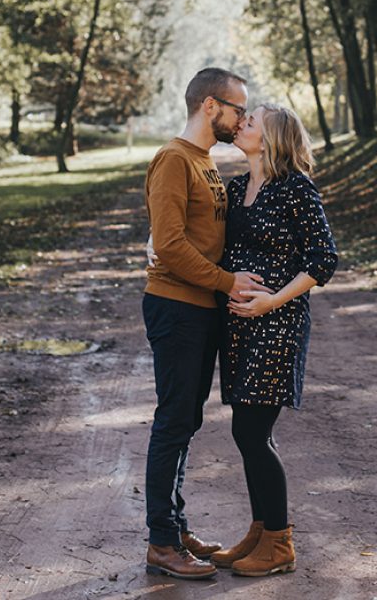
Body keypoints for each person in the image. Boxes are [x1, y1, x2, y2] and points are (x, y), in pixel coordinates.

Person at [142, 67, 273, 581]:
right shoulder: (175, 159)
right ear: (211, 106)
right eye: (239, 109)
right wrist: (226, 282)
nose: (243, 119)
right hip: (176, 307)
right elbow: (170, 244)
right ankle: (161, 543)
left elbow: (189, 234)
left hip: (200, 309)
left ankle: (174, 530)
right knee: (173, 422)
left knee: (186, 422)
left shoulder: (205, 161)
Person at [208, 103, 338, 577]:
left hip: (277, 325)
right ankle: (261, 532)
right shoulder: (237, 186)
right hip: (239, 327)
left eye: (251, 121)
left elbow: (323, 259)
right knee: (247, 432)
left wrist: (272, 301)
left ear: (272, 137)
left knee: (251, 432)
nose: (241, 124)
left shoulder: (295, 188)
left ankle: (279, 543)